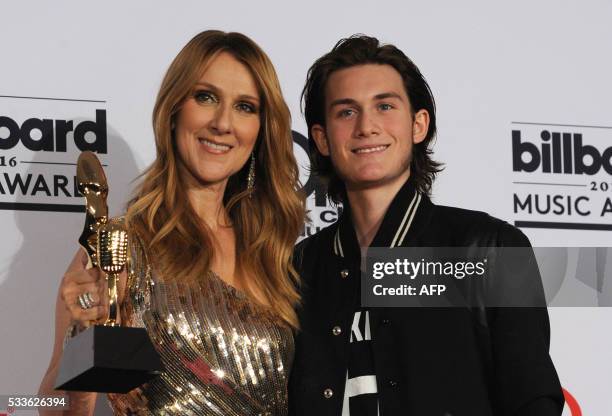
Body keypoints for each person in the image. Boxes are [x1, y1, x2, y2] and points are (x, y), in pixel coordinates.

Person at [289, 35, 564, 415]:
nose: (366, 126)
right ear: (321, 138)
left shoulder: (492, 248)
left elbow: (533, 401)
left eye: (384, 106)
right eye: (346, 112)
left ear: (419, 125)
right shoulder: (299, 267)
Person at [38, 30, 305, 416]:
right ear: (174, 109)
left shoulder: (272, 254)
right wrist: (83, 335)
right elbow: (49, 407)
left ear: (262, 129)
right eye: (206, 97)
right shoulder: (120, 249)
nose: (223, 123)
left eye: (245, 106)